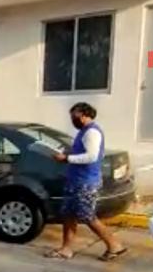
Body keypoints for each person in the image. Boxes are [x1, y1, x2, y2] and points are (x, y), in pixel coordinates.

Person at [47, 102, 127, 261]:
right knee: (69, 215)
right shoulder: (84, 131)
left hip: (85, 182)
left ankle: (114, 245)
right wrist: (69, 153)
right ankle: (66, 249)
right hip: (76, 180)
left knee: (87, 216)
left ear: (84, 115)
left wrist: (67, 158)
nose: (72, 119)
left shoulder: (92, 132)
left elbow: (92, 156)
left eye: (74, 116)